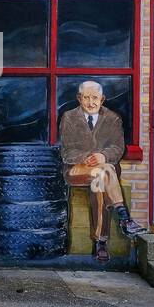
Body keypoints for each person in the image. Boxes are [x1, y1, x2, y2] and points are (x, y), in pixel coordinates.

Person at [58, 80, 146, 262]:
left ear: (102, 99)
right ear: (79, 99)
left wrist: (103, 157)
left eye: (95, 98)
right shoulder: (69, 117)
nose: (91, 103)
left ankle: (101, 242)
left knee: (100, 178)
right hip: (76, 169)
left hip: (103, 173)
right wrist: (90, 158)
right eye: (86, 98)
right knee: (103, 171)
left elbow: (118, 148)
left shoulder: (113, 118)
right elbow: (66, 151)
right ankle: (124, 217)